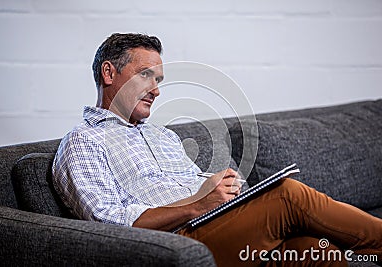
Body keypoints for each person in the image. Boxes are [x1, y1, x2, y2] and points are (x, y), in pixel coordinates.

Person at [52, 33, 382, 267]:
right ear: (109, 72)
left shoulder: (162, 136)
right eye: (145, 76)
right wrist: (197, 204)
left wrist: (225, 186)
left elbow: (196, 181)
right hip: (175, 241)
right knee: (288, 196)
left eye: (159, 81)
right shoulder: (84, 142)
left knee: (315, 251)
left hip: (218, 223)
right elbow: (108, 223)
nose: (156, 90)